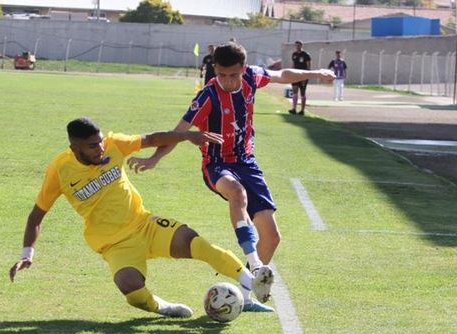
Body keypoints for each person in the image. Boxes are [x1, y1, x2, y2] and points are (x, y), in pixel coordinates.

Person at [128, 42, 335, 305]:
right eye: (221, 75)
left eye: (233, 75)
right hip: (217, 165)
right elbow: (179, 131)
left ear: (243, 69)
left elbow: (283, 75)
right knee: (237, 193)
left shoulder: (252, 77)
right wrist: (155, 157)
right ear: (214, 69)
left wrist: (316, 73)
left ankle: (244, 298)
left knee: (272, 237)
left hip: (247, 163)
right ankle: (254, 262)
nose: (227, 81)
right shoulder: (207, 96)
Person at [9, 117, 275, 317]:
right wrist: (27, 254)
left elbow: (150, 138)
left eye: (100, 141)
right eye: (92, 146)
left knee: (196, 243)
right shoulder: (60, 170)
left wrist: (186, 136)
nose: (100, 149)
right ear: (74, 147)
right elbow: (36, 216)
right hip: (114, 245)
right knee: (131, 290)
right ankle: (164, 307)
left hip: (145, 225)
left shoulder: (113, 144)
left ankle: (253, 283)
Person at [289, 40, 311, 115]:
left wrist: (306, 76)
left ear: (301, 46)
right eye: (296, 45)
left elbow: (308, 67)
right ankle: (294, 109)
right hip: (295, 75)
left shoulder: (306, 55)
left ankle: (302, 110)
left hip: (303, 75)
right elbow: (293, 64)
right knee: (295, 91)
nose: (297, 47)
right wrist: (291, 73)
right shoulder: (294, 54)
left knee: (302, 93)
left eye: (298, 45)